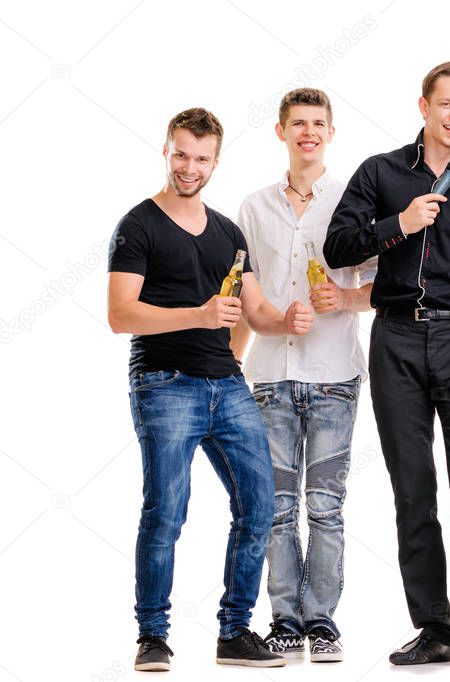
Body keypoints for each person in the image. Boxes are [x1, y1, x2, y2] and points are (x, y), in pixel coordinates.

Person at [321, 61, 450, 671]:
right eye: (446, 104)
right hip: (397, 343)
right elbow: (338, 247)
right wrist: (400, 224)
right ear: (424, 106)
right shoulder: (380, 172)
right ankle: (434, 627)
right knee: (412, 489)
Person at [108, 108, 313, 671]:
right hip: (164, 384)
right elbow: (120, 315)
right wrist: (195, 317)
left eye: (201, 158)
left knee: (260, 505)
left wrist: (285, 319)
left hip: (227, 384)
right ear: (166, 151)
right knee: (167, 511)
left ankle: (234, 631)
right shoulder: (138, 225)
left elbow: (256, 312)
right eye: (181, 154)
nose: (189, 167)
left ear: (216, 161)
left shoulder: (227, 231)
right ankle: (153, 636)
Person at [229, 88, 375, 663]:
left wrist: (343, 298)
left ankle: (322, 621)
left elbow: (381, 287)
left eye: (318, 123)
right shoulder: (253, 207)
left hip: (335, 373)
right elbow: (247, 290)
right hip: (270, 375)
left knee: (325, 505)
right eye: (298, 123)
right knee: (276, 506)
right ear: (281, 132)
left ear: (331, 133)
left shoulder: (352, 201)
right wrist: (238, 353)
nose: (308, 132)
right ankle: (284, 618)